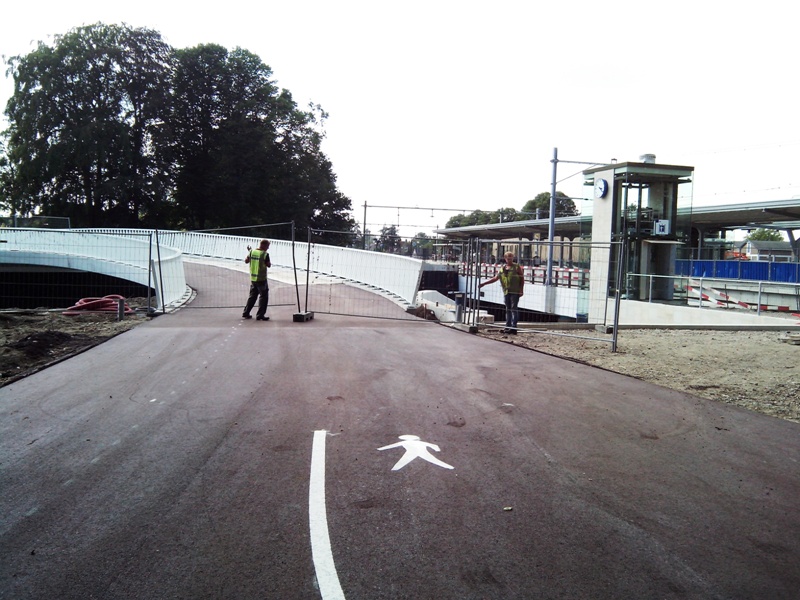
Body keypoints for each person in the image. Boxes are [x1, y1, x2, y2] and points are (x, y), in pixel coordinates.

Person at [479, 251, 524, 334]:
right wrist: (484, 284)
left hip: (515, 291)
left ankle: (513, 327)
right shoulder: (503, 269)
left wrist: (521, 290)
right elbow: (496, 278)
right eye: (508, 258)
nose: (510, 260)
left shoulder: (517, 267)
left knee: (514, 309)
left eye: (511, 258)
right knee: (508, 309)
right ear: (505, 259)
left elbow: (522, 278)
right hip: (506, 291)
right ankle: (508, 326)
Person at [242, 239, 272, 321]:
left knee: (252, 296)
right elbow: (268, 265)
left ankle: (246, 312)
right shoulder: (265, 254)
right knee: (263, 296)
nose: (268, 248)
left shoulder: (252, 252)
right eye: (267, 246)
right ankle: (260, 315)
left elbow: (246, 261)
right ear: (264, 245)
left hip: (253, 278)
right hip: (261, 279)